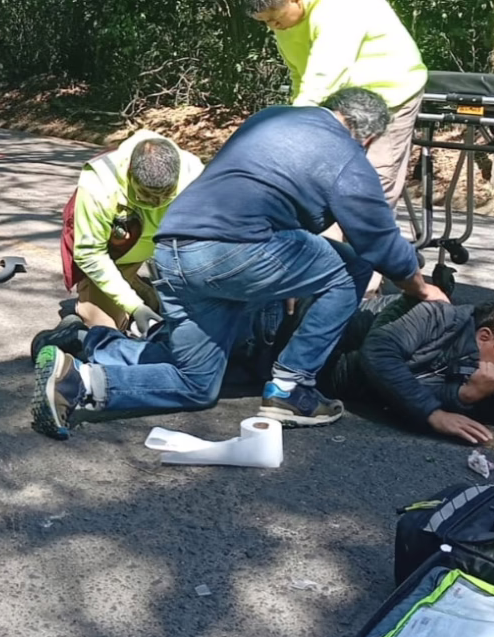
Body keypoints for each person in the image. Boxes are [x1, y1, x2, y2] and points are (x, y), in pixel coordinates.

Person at [30, 88, 448, 440]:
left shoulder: (271, 119)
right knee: (351, 266)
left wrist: (285, 280)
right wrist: (420, 287)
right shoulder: (345, 155)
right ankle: (291, 387)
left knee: (196, 384)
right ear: (368, 138)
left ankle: (77, 381)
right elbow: (378, 240)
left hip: (173, 254)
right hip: (236, 251)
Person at [246, 0, 427, 295]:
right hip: (339, 100)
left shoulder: (339, 8)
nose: (273, 27)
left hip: (390, 93)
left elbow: (325, 76)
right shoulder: (284, 23)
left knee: (371, 186)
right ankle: (323, 273)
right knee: (321, 187)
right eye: (265, 22)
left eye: (275, 19)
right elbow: (300, 77)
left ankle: (366, 288)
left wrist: (290, 130)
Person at [287, 294, 494, 444]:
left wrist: (469, 395)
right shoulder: (434, 315)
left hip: (311, 376)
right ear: (485, 337)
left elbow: (408, 387)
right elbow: (379, 354)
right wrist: (433, 414)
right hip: (285, 328)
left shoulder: (474, 364)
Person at [60, 130, 204, 333]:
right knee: (105, 331)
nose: (155, 203)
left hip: (161, 249)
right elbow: (90, 254)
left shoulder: (195, 175)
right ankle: (108, 296)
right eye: (146, 194)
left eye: (165, 195)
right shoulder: (99, 183)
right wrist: (134, 306)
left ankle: (139, 286)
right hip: (115, 255)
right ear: (129, 173)